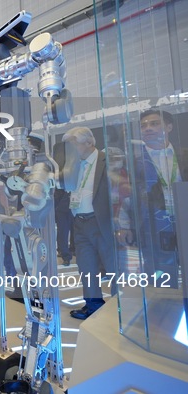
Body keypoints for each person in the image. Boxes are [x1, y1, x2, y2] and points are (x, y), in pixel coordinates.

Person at [117, 109, 188, 287]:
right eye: (143, 126)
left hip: (183, 224)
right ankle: (165, 313)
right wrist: (124, 226)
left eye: (154, 123)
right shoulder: (133, 161)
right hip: (152, 229)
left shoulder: (184, 156)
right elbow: (126, 197)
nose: (148, 128)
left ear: (169, 127)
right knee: (161, 281)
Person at [62, 126, 116, 320]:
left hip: (101, 222)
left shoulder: (107, 161)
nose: (71, 148)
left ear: (89, 143)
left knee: (113, 266)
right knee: (86, 267)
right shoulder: (75, 165)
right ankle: (93, 306)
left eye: (73, 143)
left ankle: (120, 308)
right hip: (79, 222)